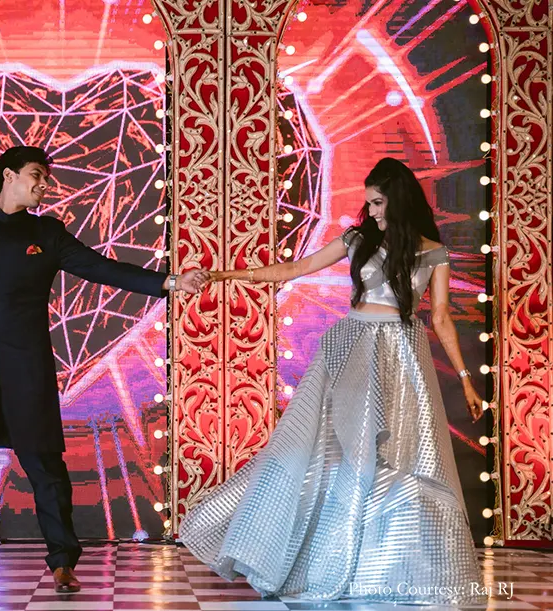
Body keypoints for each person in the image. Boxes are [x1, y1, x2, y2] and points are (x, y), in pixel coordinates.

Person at [179, 157, 486, 605]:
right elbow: (293, 270)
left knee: (397, 458)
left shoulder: (433, 252)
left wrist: (466, 380)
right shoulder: (358, 239)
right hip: (353, 347)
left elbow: (440, 317)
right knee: (335, 451)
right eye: (369, 204)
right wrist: (224, 275)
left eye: (378, 203)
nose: (372, 212)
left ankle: (375, 566)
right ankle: (314, 558)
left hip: (402, 355)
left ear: (398, 199)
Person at [0, 146, 208, 593]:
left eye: (46, 178)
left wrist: (169, 281)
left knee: (46, 468)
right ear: (9, 176)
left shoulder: (47, 233)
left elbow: (101, 269)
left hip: (28, 368)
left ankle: (62, 563)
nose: (44, 185)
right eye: (37, 175)